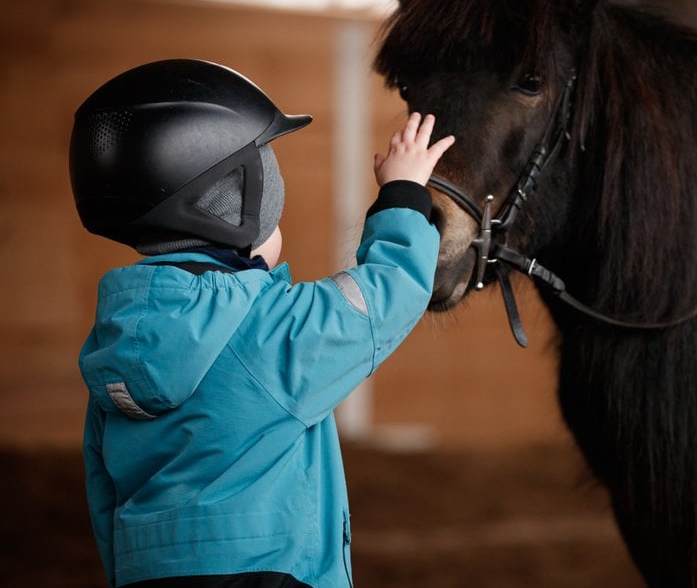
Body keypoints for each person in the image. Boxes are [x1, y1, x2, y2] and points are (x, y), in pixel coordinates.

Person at [69, 59, 454, 588]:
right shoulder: (267, 330)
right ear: (231, 203)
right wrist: (404, 191)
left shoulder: (110, 345)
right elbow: (391, 292)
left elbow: (102, 491)